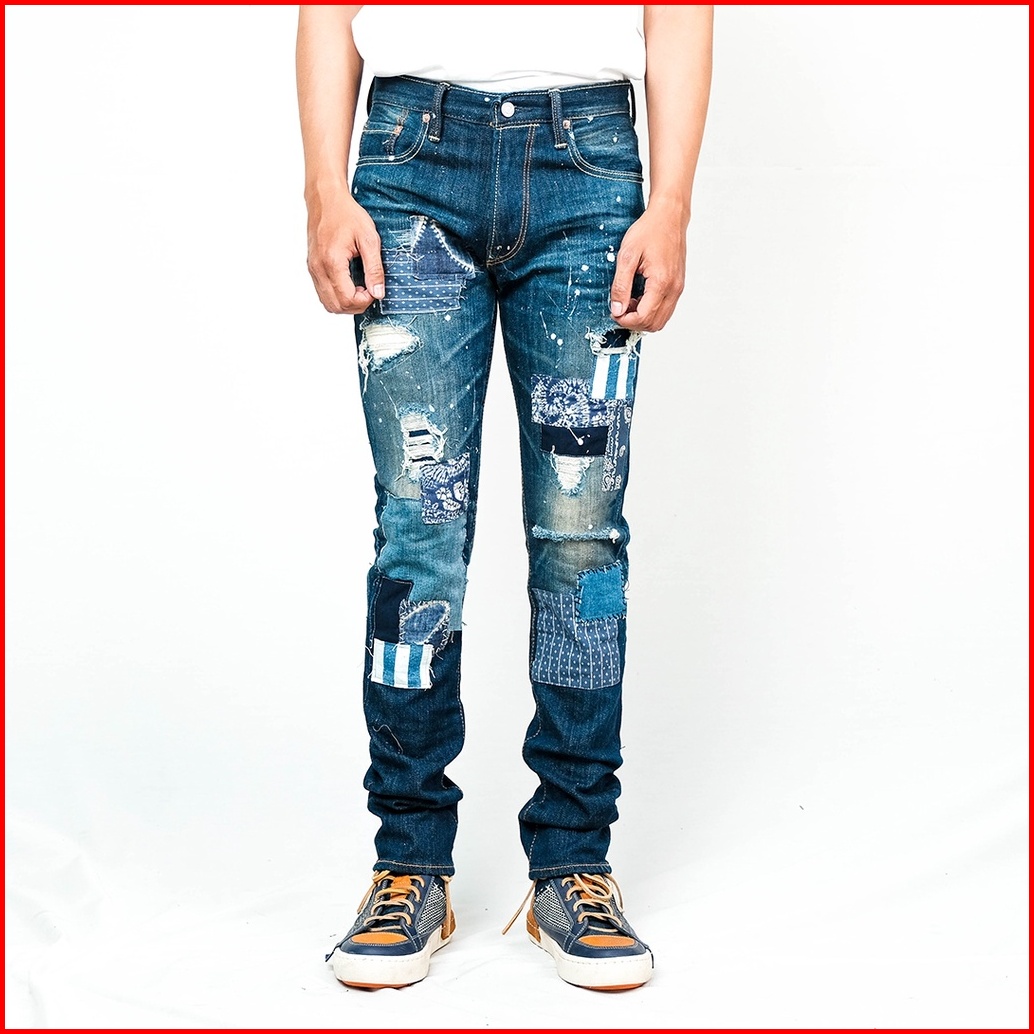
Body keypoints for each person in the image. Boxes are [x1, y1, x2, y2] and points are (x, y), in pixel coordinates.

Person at [297, 4, 712, 992]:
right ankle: (408, 863)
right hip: (408, 164)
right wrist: (323, 189)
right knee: (418, 531)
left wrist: (671, 204)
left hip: (590, 166)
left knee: (581, 536)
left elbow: (680, 11)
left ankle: (572, 864)